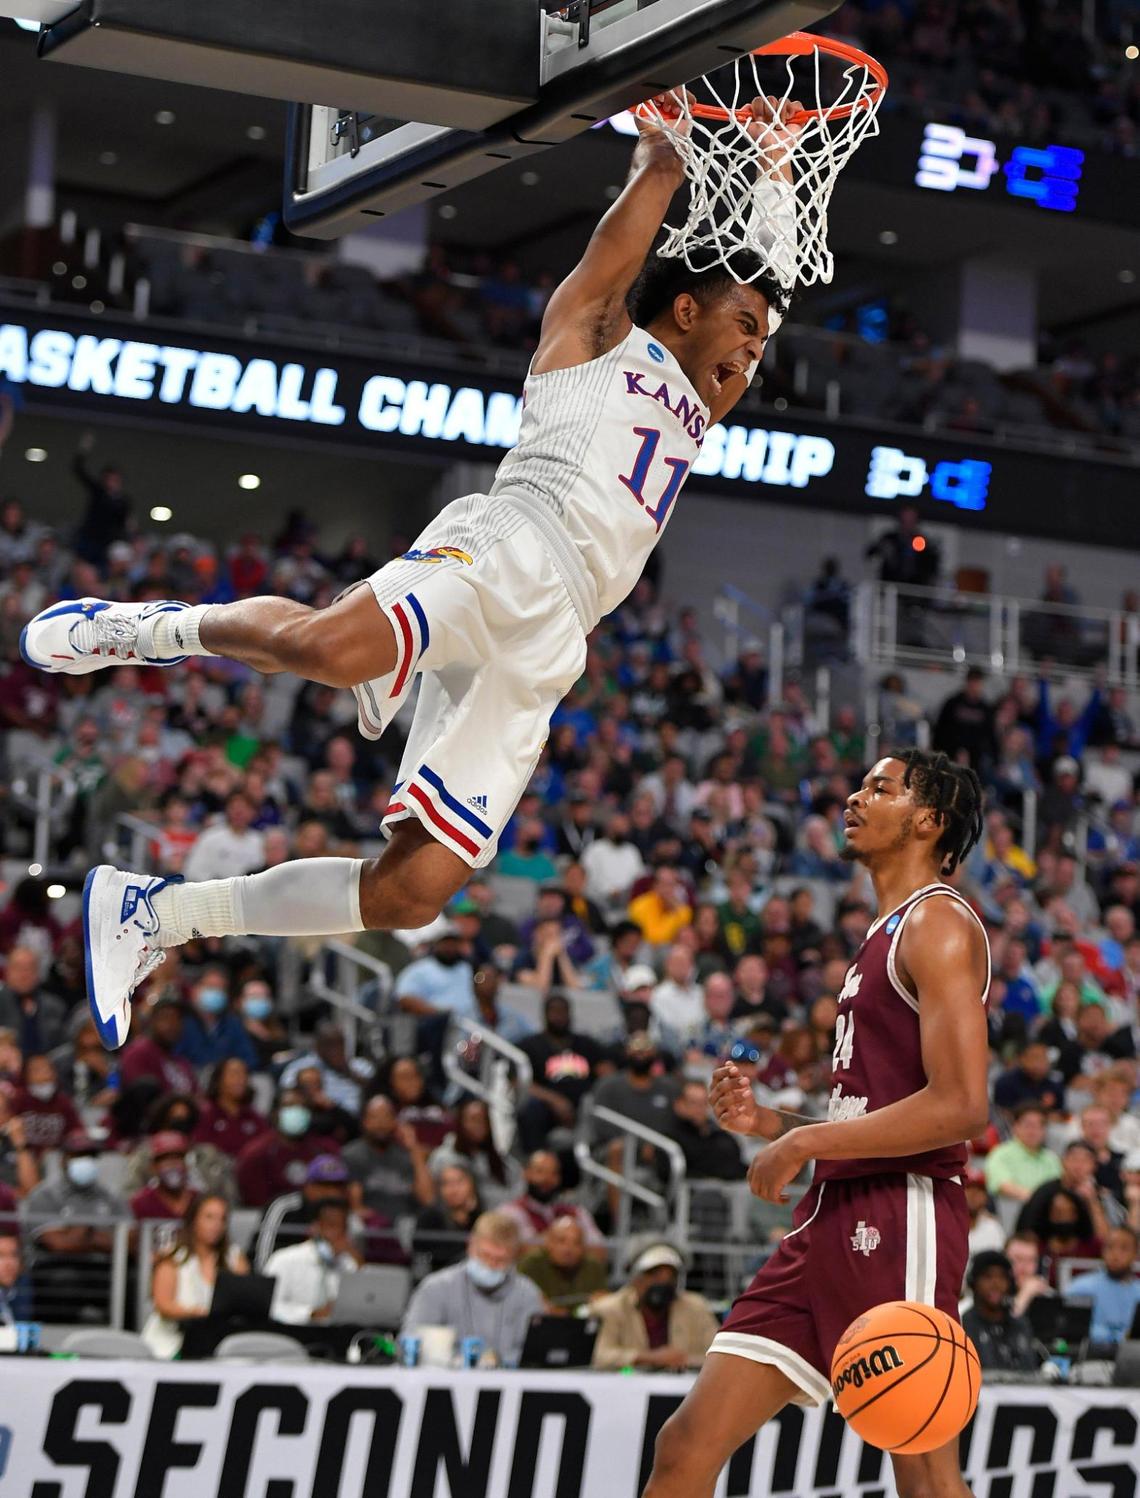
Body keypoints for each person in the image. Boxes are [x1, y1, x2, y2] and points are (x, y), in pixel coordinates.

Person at [28, 105, 789, 1058]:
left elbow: (765, 292)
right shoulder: (597, 334)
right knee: (327, 648)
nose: (751, 353)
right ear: (684, 310)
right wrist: (661, 155)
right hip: (512, 540)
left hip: (559, 633)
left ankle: (159, 913)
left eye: (758, 340)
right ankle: (141, 631)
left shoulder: (705, 402)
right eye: (742, 329)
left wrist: (771, 175)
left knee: (413, 892)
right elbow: (624, 243)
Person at [643, 750, 990, 1498]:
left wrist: (804, 1140)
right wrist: (774, 1121)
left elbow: (961, 1105)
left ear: (928, 821)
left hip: (900, 1214)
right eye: (860, 786)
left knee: (925, 1472)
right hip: (826, 1217)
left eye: (880, 789)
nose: (855, 799)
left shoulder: (937, 921)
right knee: (686, 1444)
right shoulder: (883, 930)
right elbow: (869, 1112)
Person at [401, 1210, 544, 1366]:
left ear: (514, 1258)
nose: (491, 1265)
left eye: (500, 1260)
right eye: (485, 1256)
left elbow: (534, 1353)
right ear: (470, 1245)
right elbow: (411, 1340)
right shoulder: (436, 1287)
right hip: (447, 1376)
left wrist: (498, 1362)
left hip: (510, 1378)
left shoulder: (527, 1293)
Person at [20, 1130, 128, 1322]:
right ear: (63, 1160)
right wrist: (98, 1237)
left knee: (130, 1278)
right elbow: (58, 1244)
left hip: (103, 1268)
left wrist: (78, 1233)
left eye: (89, 1156)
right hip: (56, 1266)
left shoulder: (111, 1196)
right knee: (64, 1279)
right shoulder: (44, 1195)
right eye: (77, 1156)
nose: (84, 1161)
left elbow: (129, 1241)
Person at [142, 1193, 249, 1357]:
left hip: (220, 1343)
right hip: (172, 1344)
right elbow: (164, 1305)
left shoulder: (235, 1259)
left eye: (222, 1219)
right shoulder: (172, 1258)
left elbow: (246, 1300)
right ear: (193, 1220)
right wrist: (198, 1313)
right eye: (209, 1217)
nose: (216, 1225)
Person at [592, 1239, 718, 1371]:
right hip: (628, 1382)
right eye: (654, 1275)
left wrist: (683, 1359)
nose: (662, 1282)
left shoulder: (696, 1307)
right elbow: (601, 1356)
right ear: (636, 1278)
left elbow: (719, 1354)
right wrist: (650, 1358)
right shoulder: (614, 1308)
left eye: (670, 1277)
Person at [517, 992, 606, 1153]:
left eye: (563, 1011)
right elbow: (520, 1082)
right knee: (531, 1109)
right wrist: (554, 1100)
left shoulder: (585, 1044)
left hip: (584, 1108)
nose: (559, 1016)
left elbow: (606, 1072)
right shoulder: (530, 1045)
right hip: (548, 1108)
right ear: (545, 1014)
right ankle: (537, 1157)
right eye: (554, 1011)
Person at [264, 1196, 362, 1324]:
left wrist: (357, 1261)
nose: (339, 1233)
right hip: (291, 1330)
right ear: (315, 1228)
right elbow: (269, 1305)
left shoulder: (348, 1264)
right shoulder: (284, 1259)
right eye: (332, 1226)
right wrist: (310, 1314)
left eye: (343, 1228)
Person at [233, 1088, 337, 1208]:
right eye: (289, 1106)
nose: (297, 1112)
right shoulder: (256, 1154)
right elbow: (255, 1202)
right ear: (275, 1113)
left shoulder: (325, 1150)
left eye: (303, 1106)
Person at [342, 1095, 435, 1221]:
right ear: (364, 1122)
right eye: (374, 1117)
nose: (381, 1123)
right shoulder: (352, 1154)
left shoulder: (407, 1155)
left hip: (406, 1222)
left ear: (395, 1122)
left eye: (386, 1117)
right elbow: (356, 1207)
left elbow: (428, 1199)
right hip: (371, 1224)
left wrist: (413, 1148)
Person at [500, 1150, 604, 1252]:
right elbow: (517, 1250)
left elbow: (599, 1248)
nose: (547, 1179)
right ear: (526, 1173)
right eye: (540, 1171)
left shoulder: (576, 1212)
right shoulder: (509, 1213)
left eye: (554, 1173)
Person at [429, 1097, 523, 1208]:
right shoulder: (443, 1158)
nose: (479, 1125)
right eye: (473, 1120)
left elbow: (519, 1184)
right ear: (460, 1122)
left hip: (503, 1214)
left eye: (484, 1120)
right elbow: (432, 1196)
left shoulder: (498, 1158)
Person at [959, 1251, 1039, 1374]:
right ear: (974, 1282)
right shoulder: (963, 1324)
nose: (996, 1284)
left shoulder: (1020, 1325)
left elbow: (1031, 1369)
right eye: (988, 1277)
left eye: (1002, 1277)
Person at [1065, 1226, 1140, 1350]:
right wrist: (1116, 1336)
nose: (1116, 1254)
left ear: (1135, 1253)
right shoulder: (1080, 1288)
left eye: (1124, 1248)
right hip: (1089, 1356)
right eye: (1110, 1247)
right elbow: (1071, 1329)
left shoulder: (1138, 1292)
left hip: (1133, 1356)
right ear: (1102, 1250)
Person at [518, 1215, 608, 1314]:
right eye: (561, 1241)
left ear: (583, 1247)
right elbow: (522, 1299)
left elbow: (602, 1297)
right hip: (542, 1320)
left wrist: (601, 1302)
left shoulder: (593, 1266)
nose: (568, 1249)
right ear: (548, 1242)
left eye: (576, 1243)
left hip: (584, 1320)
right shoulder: (532, 1264)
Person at [984, 1103, 1063, 1204]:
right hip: (1009, 1209)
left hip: (1045, 1210)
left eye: (1039, 1125)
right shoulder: (1000, 1154)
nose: (1033, 1130)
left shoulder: (1052, 1158)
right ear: (1015, 1126)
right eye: (1028, 1125)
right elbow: (1002, 1185)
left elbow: (1058, 1189)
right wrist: (1038, 1201)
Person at [413, 1162, 483, 1275]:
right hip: (437, 1276)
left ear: (472, 1184)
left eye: (459, 1182)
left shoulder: (481, 1218)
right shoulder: (429, 1217)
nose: (453, 1189)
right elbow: (422, 1255)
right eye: (446, 1183)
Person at [118, 997, 197, 1096]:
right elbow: (140, 1096)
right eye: (166, 1018)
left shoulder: (182, 1062)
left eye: (178, 1019)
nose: (173, 1024)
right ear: (152, 1021)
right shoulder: (138, 1052)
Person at [194, 1057, 269, 1159]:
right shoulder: (205, 1114)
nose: (240, 1079)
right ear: (218, 1080)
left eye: (244, 1074)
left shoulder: (254, 1117)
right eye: (234, 1074)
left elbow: (266, 1147)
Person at [0, 947, 68, 1056]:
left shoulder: (55, 1006)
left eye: (30, 968)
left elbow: (64, 1045)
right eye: (18, 968)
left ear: (38, 973)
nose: (24, 974)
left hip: (49, 1064)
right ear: (7, 971)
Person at [670, 1079, 743, 1180]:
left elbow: (734, 1152)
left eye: (703, 1103)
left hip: (730, 1181)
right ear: (679, 1104)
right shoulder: (671, 1136)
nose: (699, 1109)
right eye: (693, 1103)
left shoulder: (715, 1130)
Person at [9, 1054, 81, 1155]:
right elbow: (8, 1125)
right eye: (37, 1070)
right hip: (22, 1154)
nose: (43, 1074)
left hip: (56, 1156)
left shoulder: (63, 1101)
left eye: (47, 1069)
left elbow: (76, 1130)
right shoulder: (19, 1099)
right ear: (26, 1075)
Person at [129, 1131, 196, 1223]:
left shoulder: (200, 1200)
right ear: (153, 1167)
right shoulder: (140, 1203)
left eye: (177, 1159)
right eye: (166, 1161)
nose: (172, 1166)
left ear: (187, 1165)